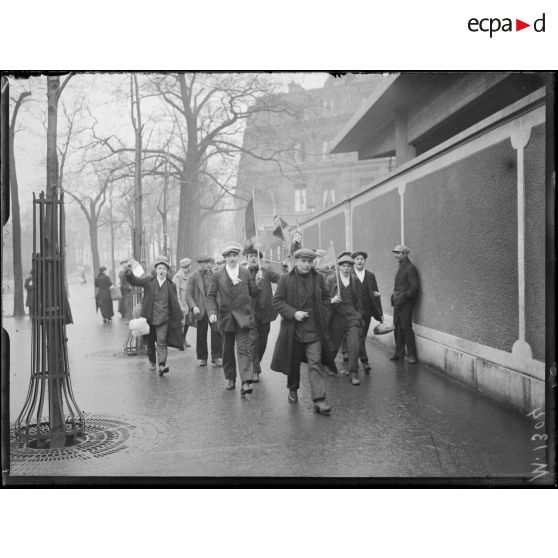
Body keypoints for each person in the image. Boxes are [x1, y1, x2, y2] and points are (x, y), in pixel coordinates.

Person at [270, 248, 337, 414]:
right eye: (303, 261)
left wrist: (324, 316)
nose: (307, 265)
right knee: (293, 364)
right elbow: (277, 301)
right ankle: (293, 389)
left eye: (310, 261)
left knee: (316, 363)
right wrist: (293, 313)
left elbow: (326, 299)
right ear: (296, 261)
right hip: (293, 330)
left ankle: (319, 400)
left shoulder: (319, 278)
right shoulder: (285, 279)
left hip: (314, 330)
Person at [206, 242, 262, 395]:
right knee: (228, 350)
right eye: (229, 256)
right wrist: (212, 312)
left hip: (243, 316)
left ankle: (246, 382)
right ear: (224, 258)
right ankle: (230, 377)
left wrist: (259, 283)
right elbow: (210, 296)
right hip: (225, 317)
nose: (232, 258)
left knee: (244, 349)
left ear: (238, 257)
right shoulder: (217, 274)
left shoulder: (245, 272)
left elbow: (254, 293)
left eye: (234, 255)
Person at [126, 255, 184, 375]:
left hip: (164, 319)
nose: (162, 271)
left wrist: (179, 316)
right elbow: (135, 281)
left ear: (167, 271)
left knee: (162, 341)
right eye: (159, 268)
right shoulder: (148, 281)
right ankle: (152, 360)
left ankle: (162, 365)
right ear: (156, 270)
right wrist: (129, 273)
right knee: (150, 342)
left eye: (164, 268)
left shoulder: (171, 285)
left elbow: (174, 302)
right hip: (149, 318)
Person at [243, 245, 281, 382]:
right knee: (252, 341)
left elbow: (281, 280)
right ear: (246, 259)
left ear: (260, 259)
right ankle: (255, 370)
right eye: (250, 256)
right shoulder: (243, 272)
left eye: (256, 256)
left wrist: (287, 269)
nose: (253, 259)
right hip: (249, 313)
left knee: (262, 342)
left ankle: (257, 362)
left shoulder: (266, 271)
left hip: (265, 312)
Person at [326, 254, 364, 385]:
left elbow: (359, 299)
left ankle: (354, 373)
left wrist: (358, 314)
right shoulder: (331, 279)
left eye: (349, 266)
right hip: (337, 316)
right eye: (343, 266)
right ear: (339, 267)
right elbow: (323, 297)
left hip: (352, 317)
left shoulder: (355, 280)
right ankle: (330, 365)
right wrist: (331, 300)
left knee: (354, 345)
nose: (346, 269)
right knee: (334, 345)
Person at [186, 254, 223, 367]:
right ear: (200, 264)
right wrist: (193, 306)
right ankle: (202, 357)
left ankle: (216, 357)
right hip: (200, 309)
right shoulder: (193, 277)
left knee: (216, 331)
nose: (208, 265)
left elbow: (219, 291)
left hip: (212, 309)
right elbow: (188, 294)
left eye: (209, 263)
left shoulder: (215, 275)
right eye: (206, 263)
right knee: (201, 334)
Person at [351, 250, 384, 373]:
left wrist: (380, 314)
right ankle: (364, 361)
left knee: (362, 337)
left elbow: (376, 294)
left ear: (365, 261)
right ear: (354, 261)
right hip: (354, 312)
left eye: (362, 259)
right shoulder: (349, 274)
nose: (359, 261)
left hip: (367, 311)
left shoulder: (371, 275)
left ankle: (355, 357)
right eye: (357, 259)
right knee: (359, 336)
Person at [390, 244, 420, 364]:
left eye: (398, 253)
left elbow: (414, 288)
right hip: (398, 302)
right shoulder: (401, 266)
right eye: (395, 252)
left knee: (406, 328)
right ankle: (399, 353)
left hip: (406, 304)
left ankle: (412, 355)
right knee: (396, 328)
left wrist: (403, 297)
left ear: (405, 254)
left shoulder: (410, 268)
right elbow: (400, 285)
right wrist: (394, 296)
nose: (395, 255)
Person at [172, 257, 192, 348]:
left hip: (187, 304)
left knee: (187, 323)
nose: (189, 268)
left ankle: (184, 339)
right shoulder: (178, 276)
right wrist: (180, 305)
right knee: (181, 323)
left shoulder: (188, 275)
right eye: (188, 266)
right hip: (181, 305)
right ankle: (179, 341)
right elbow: (176, 292)